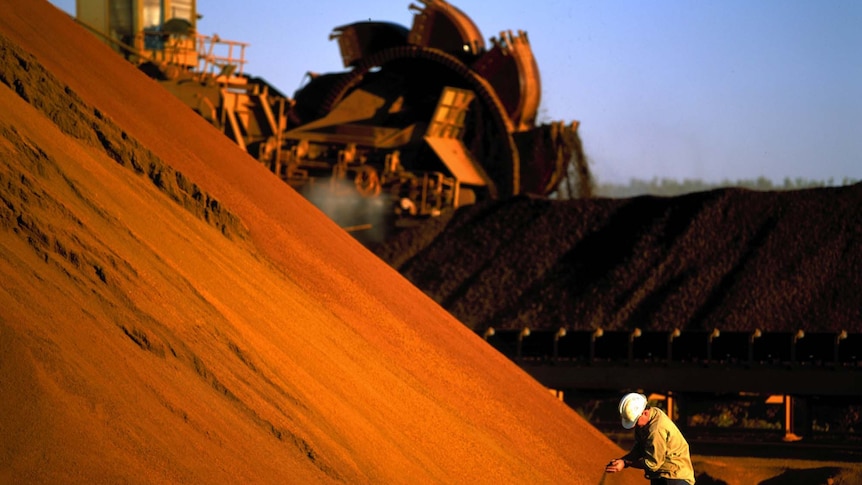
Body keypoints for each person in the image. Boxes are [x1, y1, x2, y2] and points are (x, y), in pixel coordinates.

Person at [604, 393, 695, 485]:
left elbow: (652, 464)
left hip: (674, 478)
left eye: (636, 421)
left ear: (645, 413)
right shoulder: (652, 415)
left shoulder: (656, 429)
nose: (634, 425)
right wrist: (623, 460)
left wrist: (626, 463)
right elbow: (640, 447)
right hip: (661, 477)